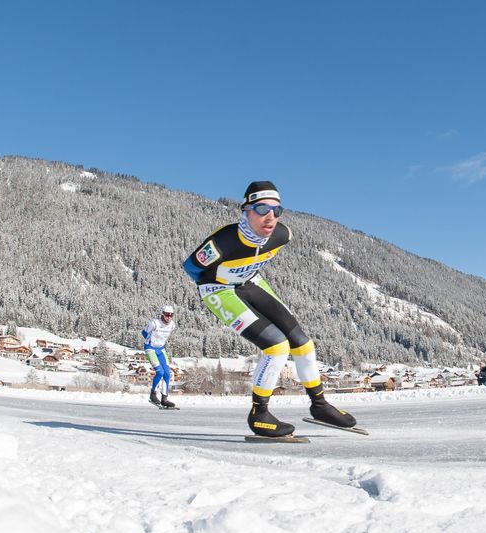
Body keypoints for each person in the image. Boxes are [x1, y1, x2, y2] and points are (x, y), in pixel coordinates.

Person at [183, 181, 357, 438]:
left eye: (277, 210)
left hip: (252, 281)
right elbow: (192, 268)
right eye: (262, 209)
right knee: (276, 347)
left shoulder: (282, 235)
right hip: (219, 289)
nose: (270, 217)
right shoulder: (223, 242)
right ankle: (259, 413)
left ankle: (320, 405)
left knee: (302, 343)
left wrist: (244, 274)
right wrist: (219, 283)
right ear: (246, 211)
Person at [141, 305, 178, 408]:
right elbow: (143, 332)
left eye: (171, 315)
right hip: (150, 348)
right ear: (163, 314)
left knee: (167, 372)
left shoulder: (172, 325)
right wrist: (150, 341)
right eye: (167, 315)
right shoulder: (154, 323)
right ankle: (153, 394)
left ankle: (164, 399)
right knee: (160, 372)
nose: (169, 317)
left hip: (161, 349)